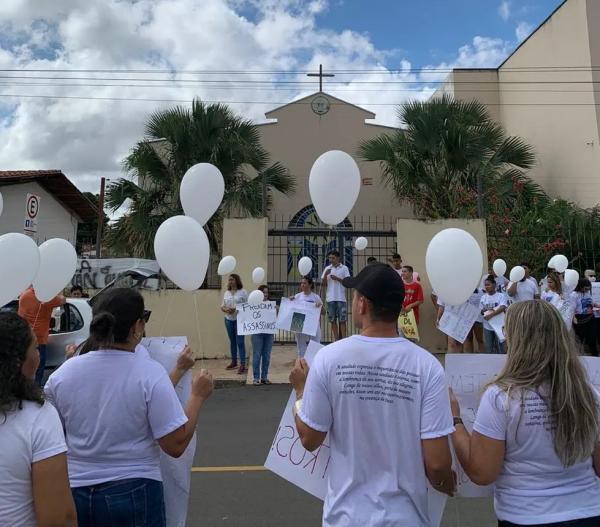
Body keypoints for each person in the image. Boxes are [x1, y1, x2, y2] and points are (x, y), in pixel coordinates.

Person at [289, 263, 455, 526]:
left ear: (362, 304)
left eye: (354, 296)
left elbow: (309, 439)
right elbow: (437, 464)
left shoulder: (328, 358)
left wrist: (300, 390)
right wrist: (445, 482)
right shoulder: (428, 366)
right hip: (406, 518)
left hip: (346, 518)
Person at [45, 288, 214, 527]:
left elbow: (51, 439)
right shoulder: (149, 373)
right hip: (135, 490)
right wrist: (197, 396)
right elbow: (175, 444)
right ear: (137, 327)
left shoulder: (63, 374)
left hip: (75, 491)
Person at [450, 300, 600, 526]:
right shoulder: (589, 394)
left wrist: (456, 420)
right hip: (589, 511)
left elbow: (482, 473)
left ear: (516, 338)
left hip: (525, 515)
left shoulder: (501, 396)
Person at [0, 312, 76, 527]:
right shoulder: (38, 418)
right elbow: (58, 519)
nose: (39, 354)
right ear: (17, 361)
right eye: (34, 347)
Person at [18, 285, 66, 386]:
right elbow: (62, 300)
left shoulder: (24, 295)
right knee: (37, 370)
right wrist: (59, 289)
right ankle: (35, 392)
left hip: (23, 337)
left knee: (22, 369)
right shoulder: (46, 298)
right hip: (39, 341)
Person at [221, 274, 248, 374]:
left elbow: (247, 305)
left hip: (240, 320)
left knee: (240, 342)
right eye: (229, 280)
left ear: (237, 280)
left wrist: (236, 309)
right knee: (232, 341)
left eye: (232, 279)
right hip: (228, 320)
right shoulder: (226, 293)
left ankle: (242, 364)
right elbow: (222, 306)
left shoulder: (243, 292)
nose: (230, 281)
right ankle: (234, 362)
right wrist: (226, 309)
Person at [321, 250, 350, 341]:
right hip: (330, 298)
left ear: (338, 258)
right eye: (330, 258)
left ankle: (344, 340)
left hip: (341, 298)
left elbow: (347, 282)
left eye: (333, 258)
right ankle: (336, 340)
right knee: (332, 320)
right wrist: (326, 274)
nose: (331, 260)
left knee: (342, 320)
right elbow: (323, 284)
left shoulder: (344, 268)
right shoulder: (327, 268)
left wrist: (337, 278)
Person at [291, 276, 323, 358]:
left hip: (313, 323)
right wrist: (289, 301)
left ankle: (313, 364)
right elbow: (291, 309)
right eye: (301, 283)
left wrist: (320, 306)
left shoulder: (316, 297)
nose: (302, 285)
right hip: (299, 322)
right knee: (301, 346)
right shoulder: (297, 296)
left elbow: (323, 312)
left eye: (304, 283)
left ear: (310, 284)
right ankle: (302, 363)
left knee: (315, 345)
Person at [251, 285, 274, 385]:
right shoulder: (253, 304)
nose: (265, 294)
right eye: (264, 292)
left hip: (268, 333)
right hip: (257, 333)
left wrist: (277, 309)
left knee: (267, 355)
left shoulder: (270, 304)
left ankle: (264, 377)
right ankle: (256, 378)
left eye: (267, 292)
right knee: (257, 355)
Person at [479, 275, 508, 354]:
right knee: (489, 348)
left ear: (494, 285)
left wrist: (491, 314)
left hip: (499, 326)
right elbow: (481, 310)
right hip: (487, 326)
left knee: (501, 348)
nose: (486, 287)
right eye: (485, 285)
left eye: (488, 285)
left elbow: (503, 307)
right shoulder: (483, 297)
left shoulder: (501, 296)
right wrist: (483, 311)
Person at [572, 278, 599, 357]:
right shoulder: (574, 295)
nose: (587, 290)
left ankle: (595, 356)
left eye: (588, 288)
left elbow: (591, 302)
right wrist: (573, 318)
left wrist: (596, 305)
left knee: (593, 338)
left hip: (591, 318)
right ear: (580, 286)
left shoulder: (587, 293)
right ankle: (578, 356)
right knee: (579, 339)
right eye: (586, 288)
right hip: (580, 319)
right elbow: (572, 307)